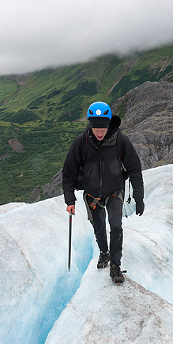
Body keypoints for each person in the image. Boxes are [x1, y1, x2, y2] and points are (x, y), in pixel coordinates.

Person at [62, 101, 144, 284]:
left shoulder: (120, 141)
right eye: (95, 129)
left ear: (109, 125)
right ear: (90, 125)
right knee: (98, 226)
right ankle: (104, 253)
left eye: (102, 130)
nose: (99, 134)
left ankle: (115, 267)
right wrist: (70, 199)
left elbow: (134, 169)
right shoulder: (81, 143)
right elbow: (68, 173)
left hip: (114, 191)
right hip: (92, 195)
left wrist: (139, 197)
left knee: (116, 227)